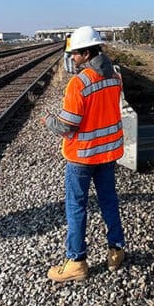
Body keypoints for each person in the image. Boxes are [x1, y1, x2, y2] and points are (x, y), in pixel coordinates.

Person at [42, 25, 125, 283]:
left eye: (76, 53)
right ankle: (116, 251)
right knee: (109, 200)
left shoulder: (79, 83)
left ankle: (77, 261)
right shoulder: (115, 77)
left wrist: (47, 121)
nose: (73, 57)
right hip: (108, 154)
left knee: (76, 206)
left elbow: (68, 125)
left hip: (81, 157)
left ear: (87, 53)